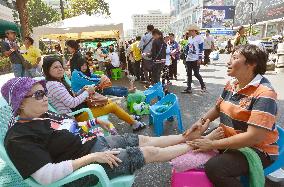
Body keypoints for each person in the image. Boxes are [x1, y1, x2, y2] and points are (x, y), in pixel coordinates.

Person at [1, 76, 212, 186]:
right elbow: (46, 177)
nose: (45, 97)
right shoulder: (19, 138)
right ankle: (197, 144)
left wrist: (94, 124)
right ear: (19, 104)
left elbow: (68, 129)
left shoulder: (41, 115)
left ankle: (187, 136)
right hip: (85, 169)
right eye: (38, 95)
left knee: (145, 140)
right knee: (150, 153)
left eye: (44, 92)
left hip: (93, 145)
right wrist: (93, 158)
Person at [184, 44, 279, 186]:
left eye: (234, 58)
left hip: (256, 149)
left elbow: (253, 137)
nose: (228, 62)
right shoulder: (232, 84)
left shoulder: (265, 93)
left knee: (215, 168)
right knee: (191, 140)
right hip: (230, 137)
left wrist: (212, 144)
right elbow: (217, 108)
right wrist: (201, 122)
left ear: (252, 64)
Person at [42, 56, 146, 131]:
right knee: (112, 105)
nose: (60, 69)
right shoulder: (54, 85)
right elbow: (72, 103)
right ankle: (135, 124)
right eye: (55, 67)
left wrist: (83, 90)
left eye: (60, 66)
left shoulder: (57, 82)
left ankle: (129, 118)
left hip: (80, 109)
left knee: (108, 100)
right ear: (47, 70)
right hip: (78, 115)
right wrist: (87, 91)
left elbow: (73, 97)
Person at [182, 24, 206, 94]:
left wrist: (199, 58)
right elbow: (189, 47)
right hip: (189, 58)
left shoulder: (199, 38)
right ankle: (189, 88)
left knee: (196, 73)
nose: (188, 32)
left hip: (196, 58)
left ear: (194, 31)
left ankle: (203, 86)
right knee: (189, 74)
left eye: (190, 31)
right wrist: (185, 51)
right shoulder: (189, 38)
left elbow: (201, 49)